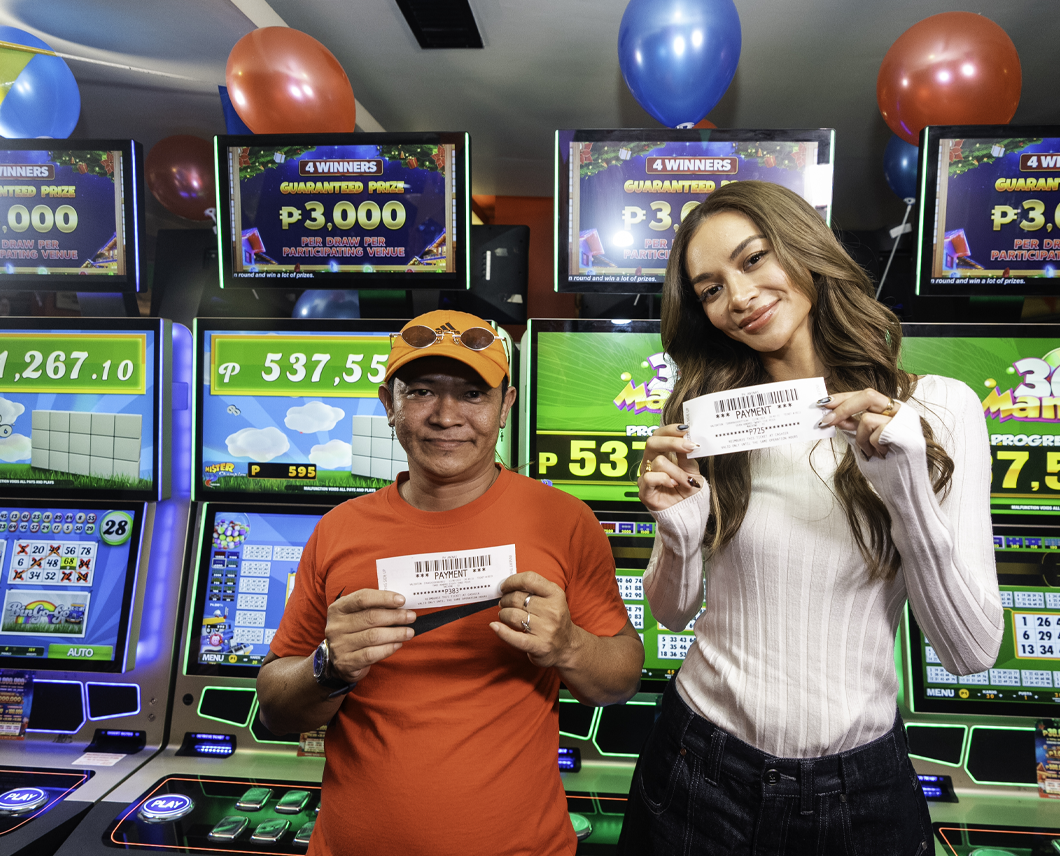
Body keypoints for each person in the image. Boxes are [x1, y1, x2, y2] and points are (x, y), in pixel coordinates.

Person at [617, 182, 1002, 855]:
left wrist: (905, 487)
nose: (737, 296)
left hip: (863, 786)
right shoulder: (710, 419)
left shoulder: (940, 410)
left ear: (804, 248)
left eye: (754, 258)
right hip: (699, 763)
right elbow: (673, 615)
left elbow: (970, 652)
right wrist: (678, 532)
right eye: (709, 289)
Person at [257, 310, 644, 856]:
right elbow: (275, 710)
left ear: (506, 405)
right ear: (388, 404)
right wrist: (329, 666)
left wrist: (569, 646)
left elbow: (622, 679)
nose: (445, 416)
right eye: (419, 392)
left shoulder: (564, 520)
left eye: (472, 393)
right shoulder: (338, 529)